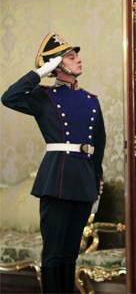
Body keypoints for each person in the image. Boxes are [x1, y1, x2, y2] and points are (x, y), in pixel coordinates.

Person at [1, 32, 106, 293]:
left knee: (70, 254)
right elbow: (9, 97)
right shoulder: (44, 96)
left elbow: (99, 145)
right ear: (58, 65)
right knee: (53, 253)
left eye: (77, 55)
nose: (79, 60)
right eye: (71, 57)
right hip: (57, 180)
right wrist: (41, 71)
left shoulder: (91, 100)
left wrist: (95, 182)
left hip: (82, 182)